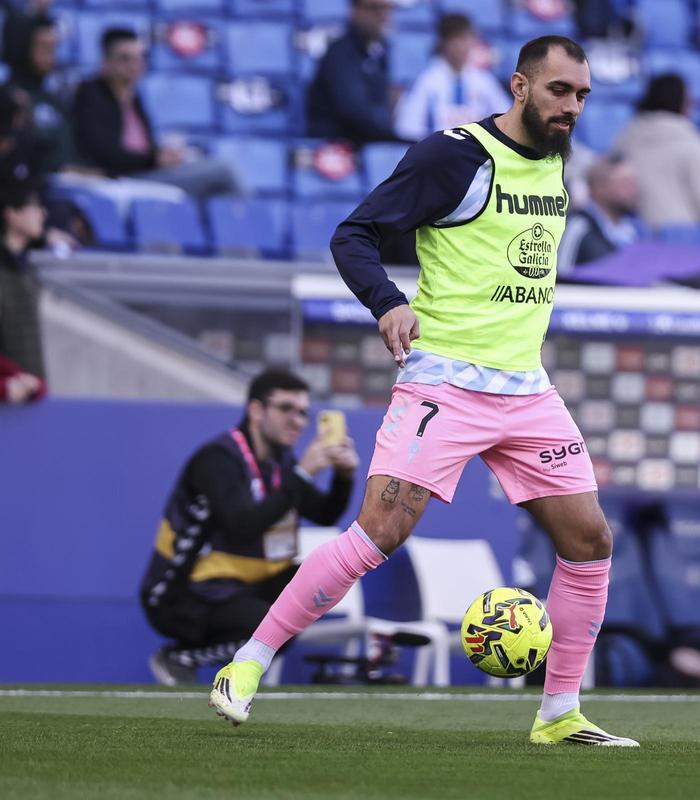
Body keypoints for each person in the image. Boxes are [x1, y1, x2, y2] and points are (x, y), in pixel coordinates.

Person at [210, 36, 639, 748]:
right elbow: (354, 235)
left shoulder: (559, 161)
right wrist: (387, 303)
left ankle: (559, 713)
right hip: (446, 380)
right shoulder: (455, 155)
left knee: (591, 540)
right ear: (520, 86)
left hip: (526, 388)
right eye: (560, 91)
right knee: (381, 532)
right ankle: (247, 665)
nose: (572, 107)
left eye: (583, 95)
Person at [140, 370, 356, 685]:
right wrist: (302, 473)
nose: (297, 421)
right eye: (286, 409)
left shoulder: (280, 463)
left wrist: (343, 476)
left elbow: (325, 514)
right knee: (272, 623)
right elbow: (243, 524)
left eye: (303, 413)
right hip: (180, 593)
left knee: (311, 582)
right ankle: (178, 658)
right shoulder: (217, 459)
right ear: (256, 410)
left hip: (239, 585)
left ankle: (191, 656)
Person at [71, 28, 240, 199]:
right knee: (223, 171)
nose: (134, 65)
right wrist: (154, 159)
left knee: (210, 181)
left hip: (145, 173)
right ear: (105, 63)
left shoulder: (133, 97)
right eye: (125, 58)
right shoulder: (91, 95)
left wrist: (163, 156)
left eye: (139, 57)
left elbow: (142, 148)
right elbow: (103, 152)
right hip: (123, 178)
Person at [612, 74, 700, 230]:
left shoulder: (624, 139)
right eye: (689, 101)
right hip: (683, 241)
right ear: (681, 103)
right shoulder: (691, 143)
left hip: (638, 236)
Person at [395, 13, 510, 142]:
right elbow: (408, 127)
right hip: (438, 152)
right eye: (457, 40)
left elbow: (506, 121)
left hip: (477, 153)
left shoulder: (484, 80)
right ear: (443, 43)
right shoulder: (428, 81)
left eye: (467, 39)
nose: (462, 46)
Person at [306, 0, 398, 144]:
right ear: (354, 10)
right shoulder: (340, 53)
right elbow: (355, 112)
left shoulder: (380, 51)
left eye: (387, 8)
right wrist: (395, 121)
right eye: (374, 8)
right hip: (336, 149)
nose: (383, 15)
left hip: (368, 143)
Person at [9, 14, 80, 175]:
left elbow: (72, 152)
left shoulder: (55, 100)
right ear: (22, 45)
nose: (52, 56)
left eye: (54, 48)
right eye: (44, 47)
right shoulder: (8, 99)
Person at [0, 181, 47, 404]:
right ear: (12, 214)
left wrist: (35, 383)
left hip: (29, 390)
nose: (42, 213)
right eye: (33, 207)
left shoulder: (28, 272)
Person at [558, 153, 641, 273]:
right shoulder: (578, 227)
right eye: (624, 183)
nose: (633, 191)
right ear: (598, 187)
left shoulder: (631, 231)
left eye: (633, 184)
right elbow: (561, 276)